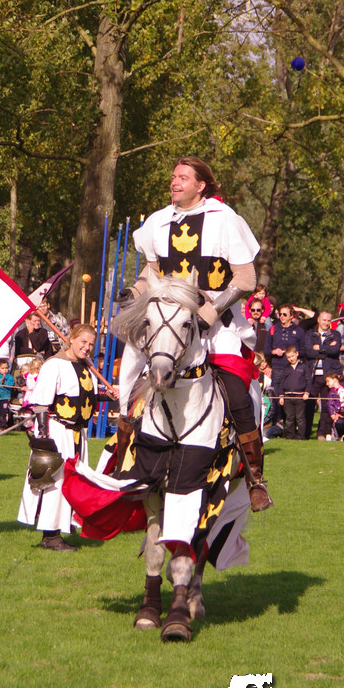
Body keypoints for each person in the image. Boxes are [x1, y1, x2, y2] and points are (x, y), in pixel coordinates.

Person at [125, 156, 270, 510]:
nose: (174, 182)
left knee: (236, 394)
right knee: (133, 387)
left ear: (201, 185)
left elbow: (246, 279)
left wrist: (210, 311)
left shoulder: (224, 219)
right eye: (173, 176)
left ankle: (255, 477)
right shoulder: (158, 221)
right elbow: (151, 272)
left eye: (183, 178)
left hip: (217, 326)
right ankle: (125, 464)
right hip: (169, 324)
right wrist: (135, 291)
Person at [17, 323, 108, 551]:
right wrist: (44, 437)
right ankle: (50, 536)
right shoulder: (54, 365)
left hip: (78, 433)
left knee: (74, 483)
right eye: (83, 342)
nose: (86, 347)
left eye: (91, 344)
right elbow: (41, 402)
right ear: (71, 339)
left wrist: (108, 396)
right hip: (58, 431)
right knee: (55, 483)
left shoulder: (86, 366)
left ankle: (63, 524)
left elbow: (85, 397)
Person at [303, 309, 342, 439]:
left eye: (328, 320)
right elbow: (309, 352)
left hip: (328, 375)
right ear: (318, 320)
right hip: (312, 375)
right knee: (309, 405)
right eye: (324, 320)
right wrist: (326, 350)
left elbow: (335, 350)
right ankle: (306, 433)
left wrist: (319, 348)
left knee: (326, 406)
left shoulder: (335, 334)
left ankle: (322, 432)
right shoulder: (310, 334)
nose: (326, 322)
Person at [278, 346, 311, 440]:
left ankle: (300, 436)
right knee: (289, 418)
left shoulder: (304, 367)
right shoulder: (286, 369)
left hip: (300, 396)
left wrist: (307, 392)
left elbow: (308, 381)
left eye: (292, 356)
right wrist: (281, 396)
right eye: (288, 357)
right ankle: (290, 436)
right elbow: (281, 383)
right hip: (288, 396)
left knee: (300, 418)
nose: (291, 359)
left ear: (297, 354)